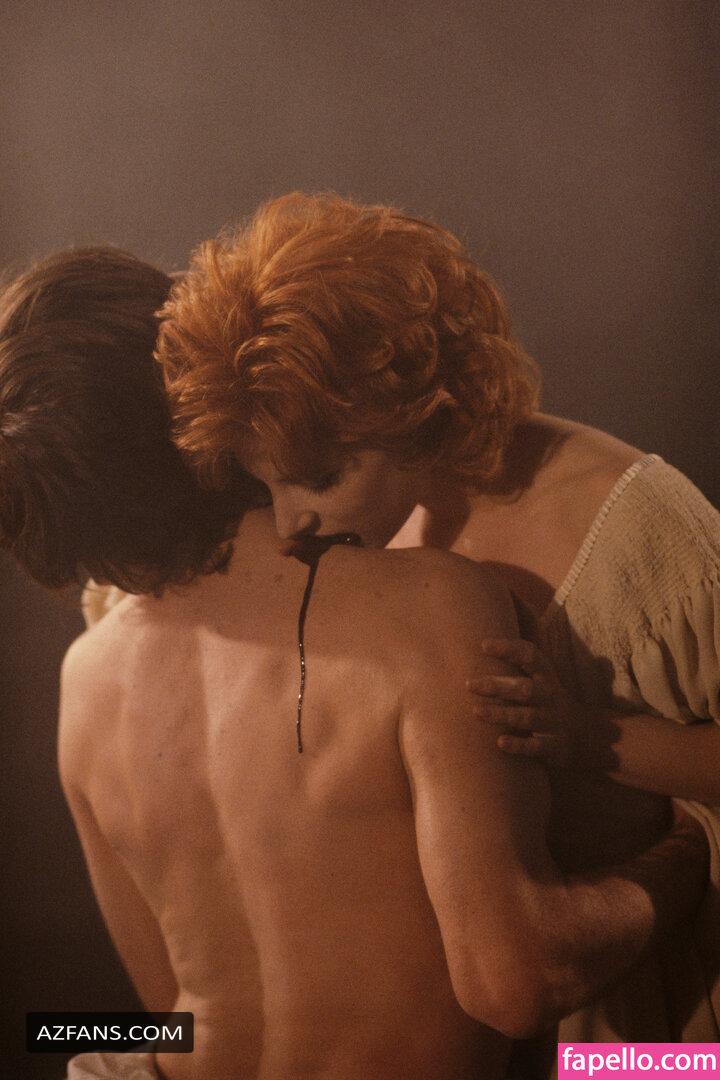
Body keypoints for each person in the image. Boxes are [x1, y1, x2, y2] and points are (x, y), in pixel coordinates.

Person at [0, 249, 710, 1080]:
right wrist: (687, 851)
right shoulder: (431, 606)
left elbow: (168, 1022)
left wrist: (66, 1039)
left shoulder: (83, 683)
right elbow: (514, 985)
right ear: (191, 383)